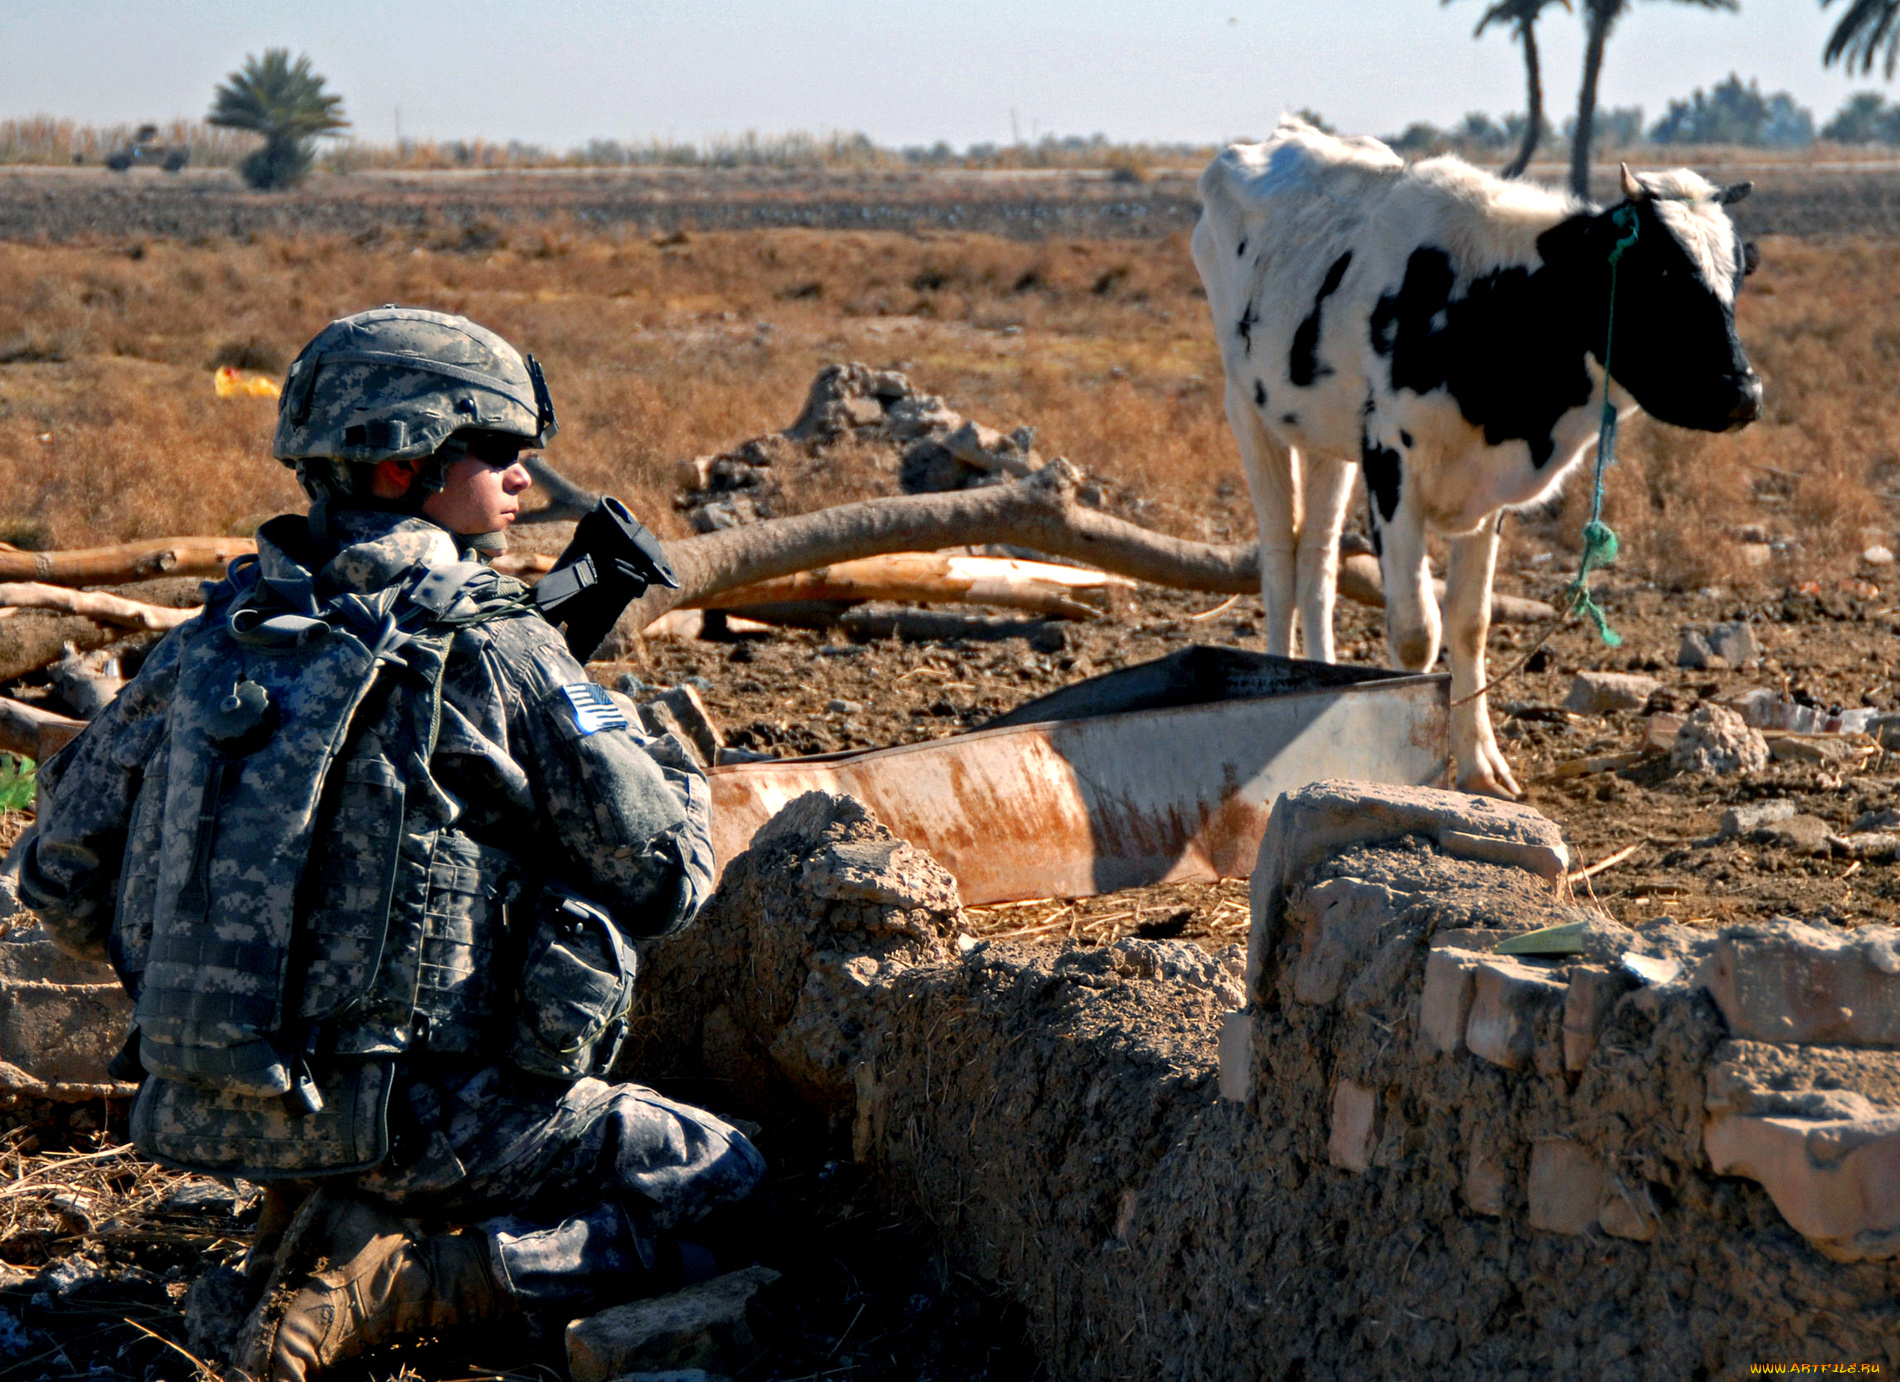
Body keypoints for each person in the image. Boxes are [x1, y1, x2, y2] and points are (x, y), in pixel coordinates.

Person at [16, 307, 766, 1381]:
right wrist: (663, 750)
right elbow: (659, 879)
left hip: (203, 1112)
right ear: (407, 462)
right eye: (501, 451)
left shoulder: (195, 649)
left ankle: (311, 1207)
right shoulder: (498, 644)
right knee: (720, 1174)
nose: (522, 477)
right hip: (427, 1122)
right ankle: (416, 1280)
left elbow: (57, 885)